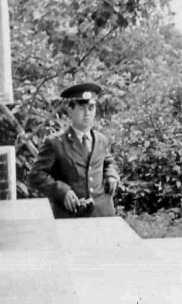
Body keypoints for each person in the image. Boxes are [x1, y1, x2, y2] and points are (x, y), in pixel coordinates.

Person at [28, 82, 119, 219]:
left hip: (103, 213)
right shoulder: (55, 143)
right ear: (70, 110)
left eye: (91, 108)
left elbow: (108, 163)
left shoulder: (101, 140)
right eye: (82, 108)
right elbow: (35, 175)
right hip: (72, 215)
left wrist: (112, 175)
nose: (87, 113)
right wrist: (62, 191)